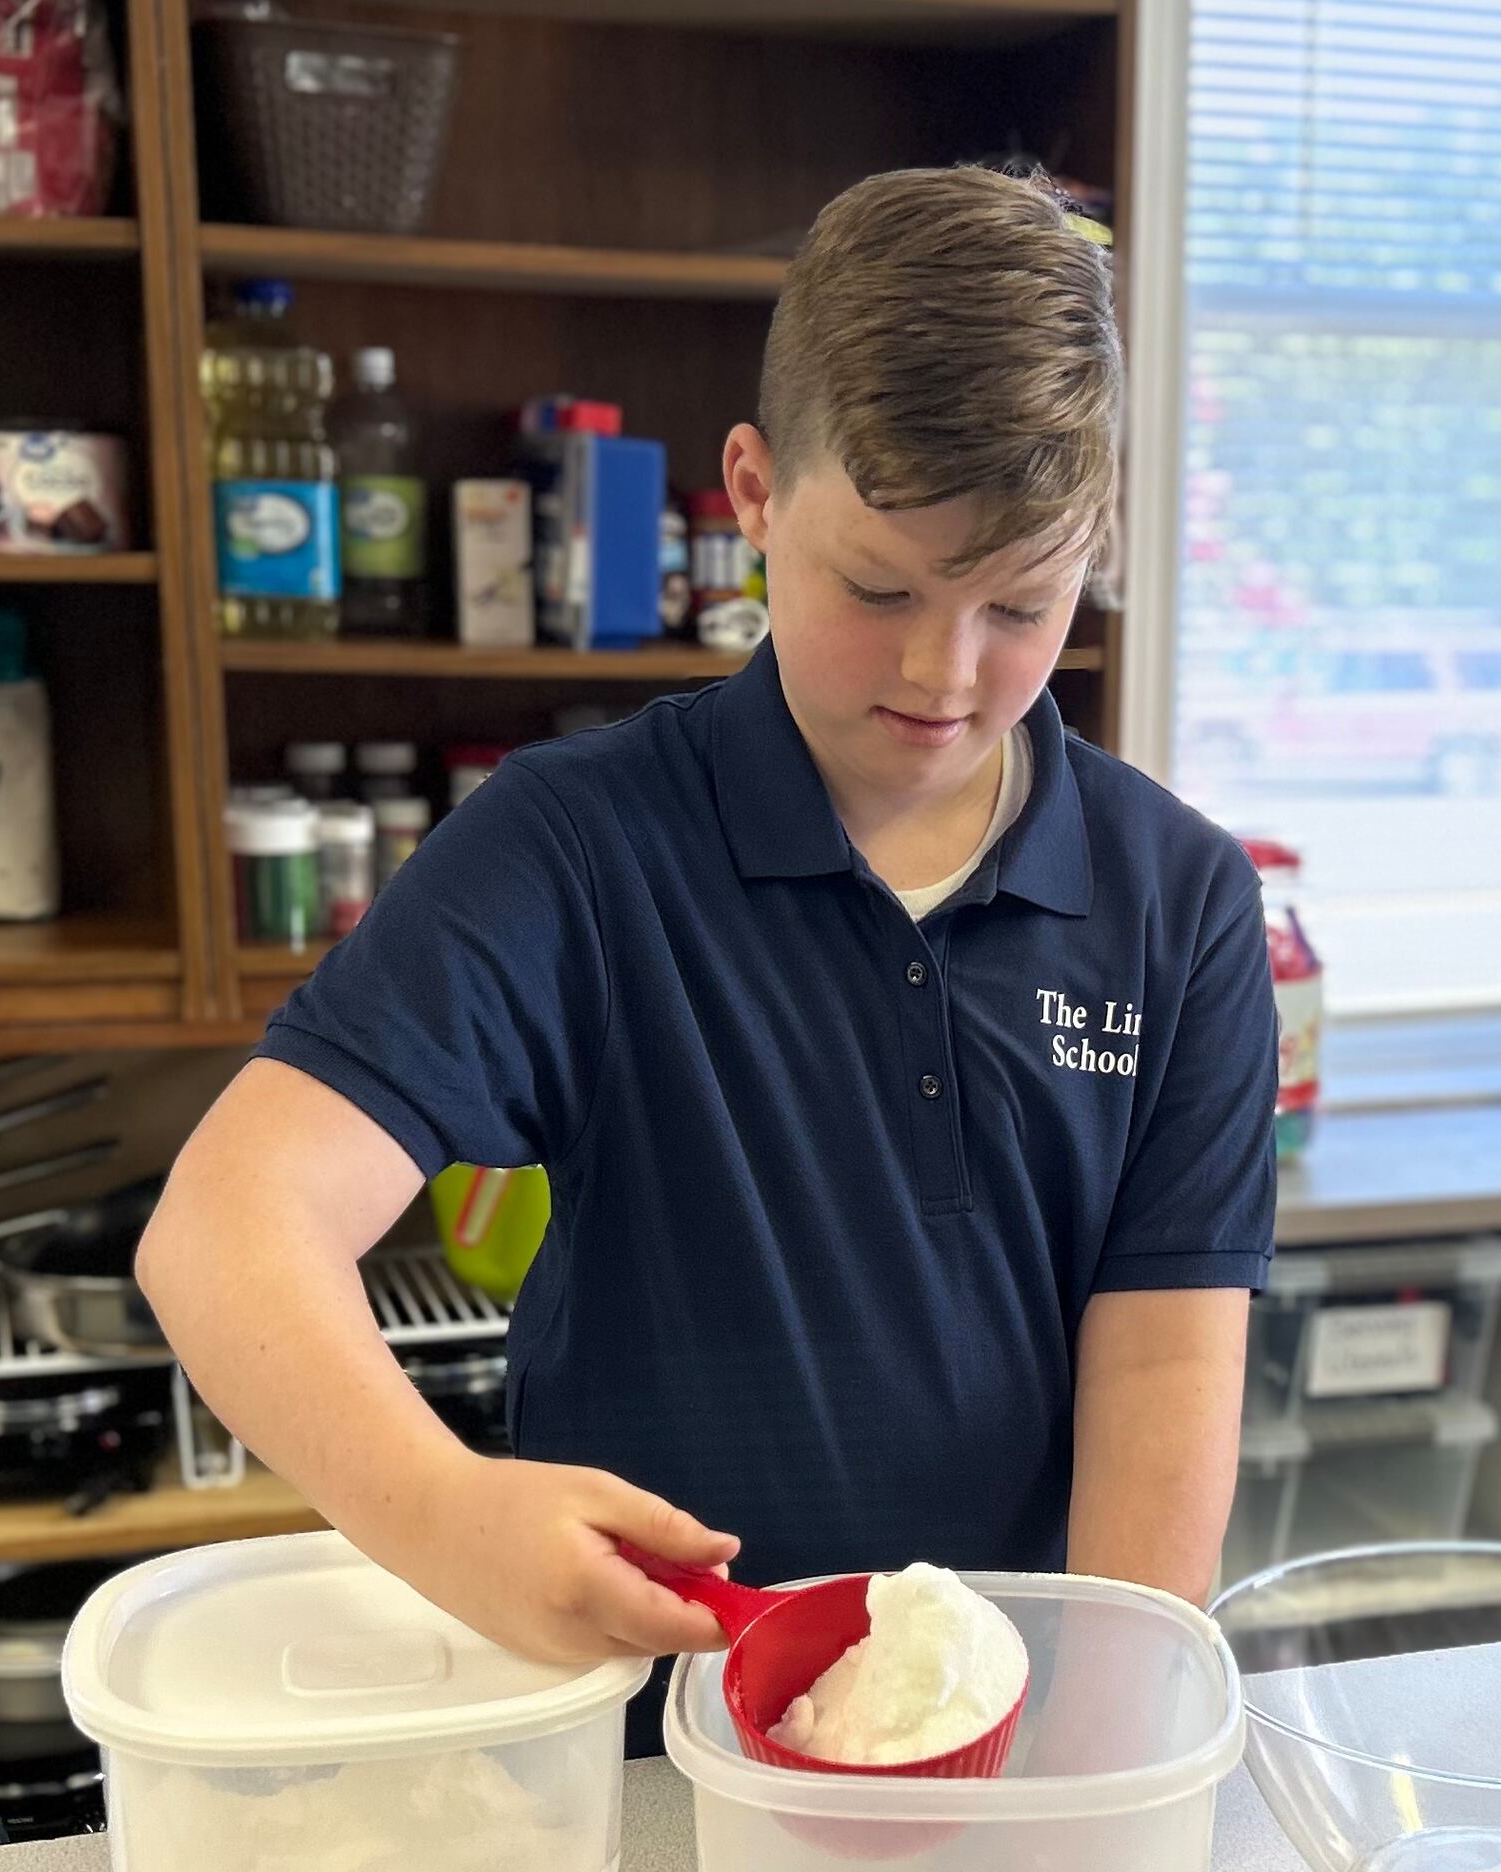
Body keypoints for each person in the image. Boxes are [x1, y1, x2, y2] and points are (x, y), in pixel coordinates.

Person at [138, 167, 1278, 1727]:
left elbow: (1163, 1368)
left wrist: (1095, 1747)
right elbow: (225, 1227)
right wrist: (448, 1511)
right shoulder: (574, 845)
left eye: (1021, 606)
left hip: (1014, 1734)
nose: (944, 673)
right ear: (750, 491)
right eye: (878, 586)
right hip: (643, 1730)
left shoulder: (1180, 902)